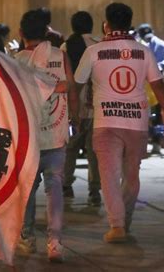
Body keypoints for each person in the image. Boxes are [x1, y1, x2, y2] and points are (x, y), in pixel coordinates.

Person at [74, 2, 164, 243]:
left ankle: (117, 225)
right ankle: (125, 220)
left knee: (108, 175)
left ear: (106, 24)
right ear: (130, 24)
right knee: (131, 176)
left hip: (105, 124)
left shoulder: (93, 52)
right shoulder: (144, 51)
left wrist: (75, 113)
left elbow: (76, 84)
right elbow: (159, 86)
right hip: (136, 124)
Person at [14, 9, 78, 262]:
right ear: (46, 32)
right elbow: (70, 87)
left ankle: (27, 239)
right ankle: (55, 243)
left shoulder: (14, 60)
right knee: (56, 190)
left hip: (28, 138)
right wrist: (75, 115)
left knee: (27, 190)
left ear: (21, 33)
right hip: (56, 133)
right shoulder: (60, 57)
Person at [61, 11, 102, 205]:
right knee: (94, 150)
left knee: (70, 148)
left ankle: (66, 186)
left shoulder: (65, 47)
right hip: (96, 106)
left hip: (72, 105)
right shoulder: (99, 45)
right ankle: (94, 192)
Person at [137, 23, 164, 154]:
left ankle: (156, 143)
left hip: (155, 84)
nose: (148, 39)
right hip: (143, 84)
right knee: (144, 114)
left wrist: (160, 66)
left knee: (156, 114)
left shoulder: (158, 43)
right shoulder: (140, 43)